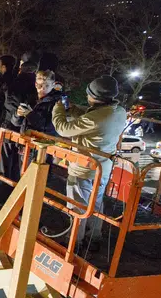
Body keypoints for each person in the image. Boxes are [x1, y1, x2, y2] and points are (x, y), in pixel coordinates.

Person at [52, 75, 127, 252]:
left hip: (84, 169)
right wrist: (75, 109)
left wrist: (58, 109)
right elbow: (95, 116)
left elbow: (63, 128)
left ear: (94, 96)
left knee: (77, 206)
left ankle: (73, 243)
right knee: (96, 204)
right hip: (103, 168)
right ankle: (94, 238)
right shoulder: (119, 111)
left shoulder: (97, 118)